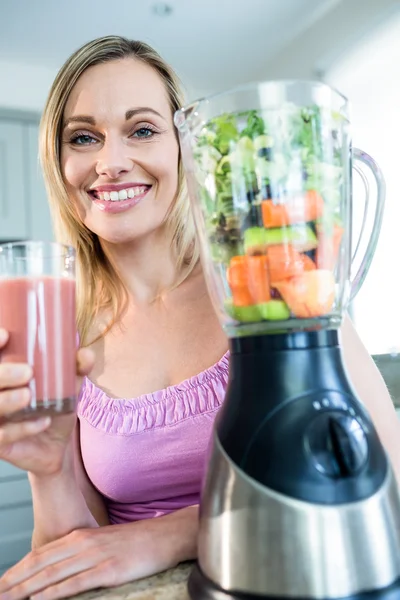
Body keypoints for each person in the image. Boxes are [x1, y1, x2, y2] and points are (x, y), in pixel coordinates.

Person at [0, 35, 398, 600]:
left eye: (142, 130)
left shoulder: (269, 287)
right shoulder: (68, 337)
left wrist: (166, 535)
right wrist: (47, 467)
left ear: (185, 147)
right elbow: (75, 557)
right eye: (84, 137)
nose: (110, 162)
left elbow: (389, 485)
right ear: (59, 163)